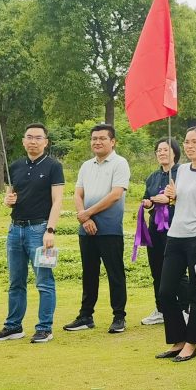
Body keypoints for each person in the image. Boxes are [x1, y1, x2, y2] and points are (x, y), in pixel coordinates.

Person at [154, 126, 196, 362]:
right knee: (165, 291)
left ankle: (192, 343)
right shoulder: (181, 170)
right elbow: (178, 199)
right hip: (176, 235)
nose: (189, 145)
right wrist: (172, 195)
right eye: (186, 141)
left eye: (194, 142)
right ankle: (178, 339)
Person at [0, 122, 63, 344]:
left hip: (39, 229)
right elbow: (11, 198)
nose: (33, 141)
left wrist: (50, 229)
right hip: (15, 229)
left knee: (44, 281)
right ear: (23, 141)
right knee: (16, 281)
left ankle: (44, 328)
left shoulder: (53, 166)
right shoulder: (15, 166)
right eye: (29, 137)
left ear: (45, 142)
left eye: (38, 137)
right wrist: (8, 201)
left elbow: (57, 200)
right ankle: (13, 326)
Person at [64, 124, 130, 334]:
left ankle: (119, 316)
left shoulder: (120, 163)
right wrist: (84, 219)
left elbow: (115, 195)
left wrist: (88, 213)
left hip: (110, 228)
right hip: (86, 229)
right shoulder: (86, 166)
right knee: (89, 273)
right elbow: (77, 194)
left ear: (113, 142)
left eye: (102, 138)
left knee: (115, 273)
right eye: (94, 138)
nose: (97, 142)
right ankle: (85, 316)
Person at [138, 138, 180, 327]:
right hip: (154, 227)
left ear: (174, 152)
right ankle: (161, 308)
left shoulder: (182, 173)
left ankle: (183, 308)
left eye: (166, 149)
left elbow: (186, 197)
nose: (162, 153)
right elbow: (147, 197)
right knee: (157, 268)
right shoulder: (153, 177)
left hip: (175, 226)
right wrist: (148, 202)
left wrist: (171, 198)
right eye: (159, 150)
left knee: (177, 269)